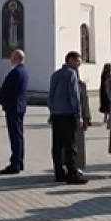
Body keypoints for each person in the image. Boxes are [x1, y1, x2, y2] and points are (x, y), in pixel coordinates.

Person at [48, 51, 86, 185]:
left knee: (57, 145)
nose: (79, 64)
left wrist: (52, 110)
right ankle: (72, 173)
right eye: (77, 61)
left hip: (57, 114)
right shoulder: (71, 74)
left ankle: (59, 173)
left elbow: (50, 95)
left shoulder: (55, 74)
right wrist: (78, 115)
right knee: (71, 145)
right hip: (68, 114)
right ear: (70, 60)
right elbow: (74, 96)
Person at [0, 49, 30, 175]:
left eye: (12, 57)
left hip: (13, 107)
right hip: (20, 107)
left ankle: (15, 163)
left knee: (15, 136)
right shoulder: (24, 71)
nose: (11, 59)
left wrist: (1, 99)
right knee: (19, 135)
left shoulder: (15, 72)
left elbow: (7, 89)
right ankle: (19, 161)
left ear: (16, 58)